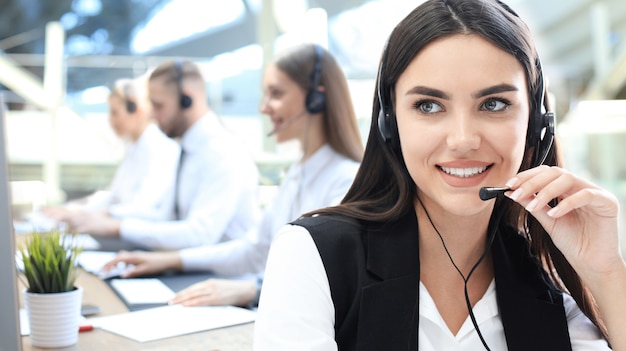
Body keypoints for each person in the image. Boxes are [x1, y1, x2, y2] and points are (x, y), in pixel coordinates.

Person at [253, 1, 626, 350]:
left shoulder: (546, 281)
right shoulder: (312, 257)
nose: (463, 140)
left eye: (493, 104)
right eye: (428, 106)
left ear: (536, 125)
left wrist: (605, 271)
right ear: (390, 124)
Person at [102, 43, 364, 307]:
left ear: (316, 99)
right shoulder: (298, 173)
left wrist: (252, 290)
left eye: (276, 93)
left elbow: (326, 278)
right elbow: (255, 249)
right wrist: (168, 260)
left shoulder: (344, 179)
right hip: (267, 304)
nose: (264, 107)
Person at [62, 60, 261, 251]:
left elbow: (201, 235)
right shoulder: (188, 149)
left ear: (187, 100)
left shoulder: (222, 152)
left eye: (158, 106)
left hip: (226, 279)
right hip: (195, 270)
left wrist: (117, 226)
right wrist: (101, 218)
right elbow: (164, 215)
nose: (152, 115)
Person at [45, 78, 180, 221]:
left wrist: (84, 214)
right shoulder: (133, 146)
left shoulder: (160, 149)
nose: (110, 120)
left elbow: (142, 208)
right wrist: (73, 209)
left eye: (115, 113)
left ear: (137, 110)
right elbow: (113, 195)